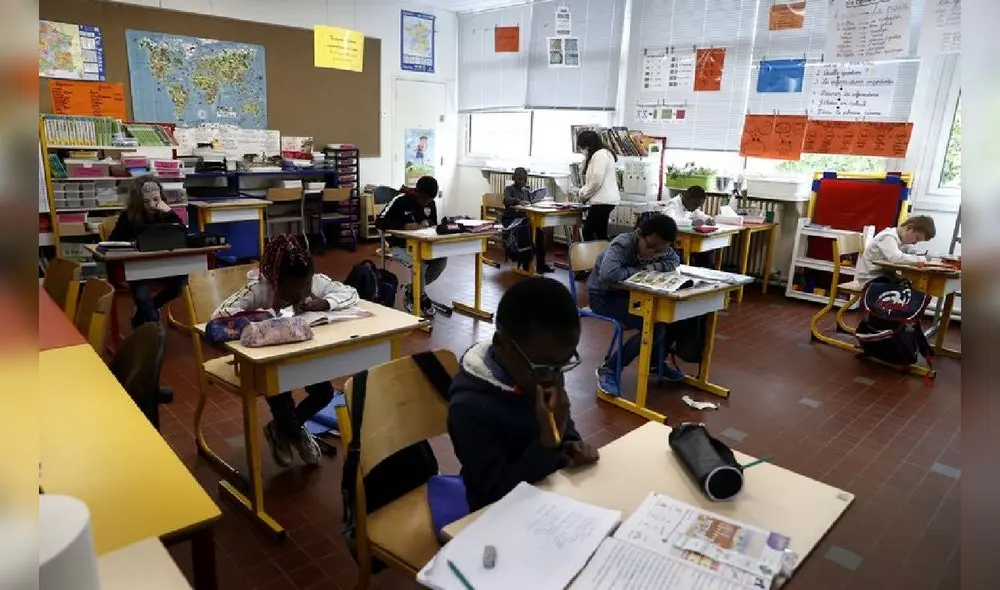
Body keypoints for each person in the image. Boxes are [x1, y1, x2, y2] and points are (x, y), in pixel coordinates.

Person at [448, 277, 599, 511]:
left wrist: (569, 443)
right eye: (546, 367)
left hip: (549, 496)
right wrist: (549, 443)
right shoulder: (468, 408)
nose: (553, 377)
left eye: (562, 366)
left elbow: (562, 427)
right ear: (501, 343)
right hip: (495, 515)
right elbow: (497, 494)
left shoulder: (542, 369)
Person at [212, 234, 360, 467]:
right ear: (275, 283)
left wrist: (322, 303)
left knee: (324, 394)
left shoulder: (312, 282)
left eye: (306, 289)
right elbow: (219, 317)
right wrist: (264, 320)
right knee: (279, 390)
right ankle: (294, 430)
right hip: (266, 363)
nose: (302, 296)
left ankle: (281, 429)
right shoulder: (259, 290)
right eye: (294, 293)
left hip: (302, 356)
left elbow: (350, 293)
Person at [587, 213, 684, 395]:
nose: (653, 253)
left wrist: (648, 268)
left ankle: (654, 363)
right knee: (655, 326)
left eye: (660, 250)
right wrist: (637, 270)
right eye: (650, 247)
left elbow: (674, 261)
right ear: (639, 234)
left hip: (632, 295)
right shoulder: (622, 244)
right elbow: (609, 275)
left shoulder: (659, 245)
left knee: (671, 317)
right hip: (604, 297)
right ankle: (609, 369)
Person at [108, 176, 187, 328]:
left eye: (155, 199)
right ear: (138, 202)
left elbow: (182, 234)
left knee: (179, 286)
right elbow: (114, 241)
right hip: (138, 268)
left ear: (161, 197)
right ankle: (152, 322)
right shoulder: (128, 216)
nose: (151, 205)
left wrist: (169, 212)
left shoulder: (165, 212)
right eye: (145, 201)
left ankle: (147, 310)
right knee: (141, 295)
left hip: (164, 265)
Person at [375, 176, 447, 316]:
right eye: (424, 199)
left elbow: (433, 222)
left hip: (423, 244)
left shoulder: (430, 203)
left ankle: (413, 289)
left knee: (441, 260)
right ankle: (417, 298)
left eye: (430, 200)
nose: (426, 203)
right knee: (419, 264)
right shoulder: (400, 200)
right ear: (417, 193)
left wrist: (429, 224)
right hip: (399, 246)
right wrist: (404, 226)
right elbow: (380, 222)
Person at [855, 215, 936, 283]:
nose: (915, 242)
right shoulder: (888, 237)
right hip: (870, 279)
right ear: (909, 228)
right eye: (917, 238)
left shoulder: (901, 239)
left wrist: (920, 255)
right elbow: (897, 258)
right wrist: (922, 259)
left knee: (909, 287)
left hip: (883, 277)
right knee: (909, 291)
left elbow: (911, 250)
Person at [503, 167, 552, 273]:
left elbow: (530, 202)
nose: (522, 182)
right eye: (519, 180)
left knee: (539, 232)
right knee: (526, 230)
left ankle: (541, 265)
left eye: (523, 180)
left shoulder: (526, 191)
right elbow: (507, 200)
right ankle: (526, 263)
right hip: (512, 219)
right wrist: (518, 201)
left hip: (525, 219)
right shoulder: (509, 189)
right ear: (514, 178)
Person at [576, 130, 620, 240]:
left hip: (602, 201)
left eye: (582, 147)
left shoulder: (600, 155)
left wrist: (584, 195)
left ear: (587, 145)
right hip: (606, 200)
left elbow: (596, 180)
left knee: (588, 232)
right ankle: (601, 255)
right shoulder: (602, 153)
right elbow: (593, 180)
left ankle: (591, 256)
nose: (582, 150)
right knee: (601, 233)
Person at [662, 185, 715, 267]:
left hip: (684, 239)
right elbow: (669, 221)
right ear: (687, 198)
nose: (696, 208)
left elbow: (699, 214)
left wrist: (708, 219)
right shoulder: (672, 204)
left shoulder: (689, 206)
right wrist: (691, 222)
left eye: (698, 206)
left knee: (708, 250)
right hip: (672, 241)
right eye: (695, 205)